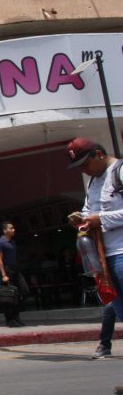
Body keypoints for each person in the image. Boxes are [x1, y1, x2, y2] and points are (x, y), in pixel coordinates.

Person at [66, 138, 123, 370]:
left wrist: (101, 219)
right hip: (104, 259)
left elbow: (100, 216)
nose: (84, 170)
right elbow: (89, 211)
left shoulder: (119, 172)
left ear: (98, 154)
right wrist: (82, 218)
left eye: (85, 164)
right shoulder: (93, 183)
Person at [0, 221, 27, 327]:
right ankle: (9, 319)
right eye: (11, 228)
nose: (13, 230)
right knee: (9, 295)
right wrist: (4, 275)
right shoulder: (0, 243)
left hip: (15, 269)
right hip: (7, 270)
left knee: (23, 291)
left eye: (13, 228)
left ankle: (16, 316)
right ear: (4, 230)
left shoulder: (12, 241)